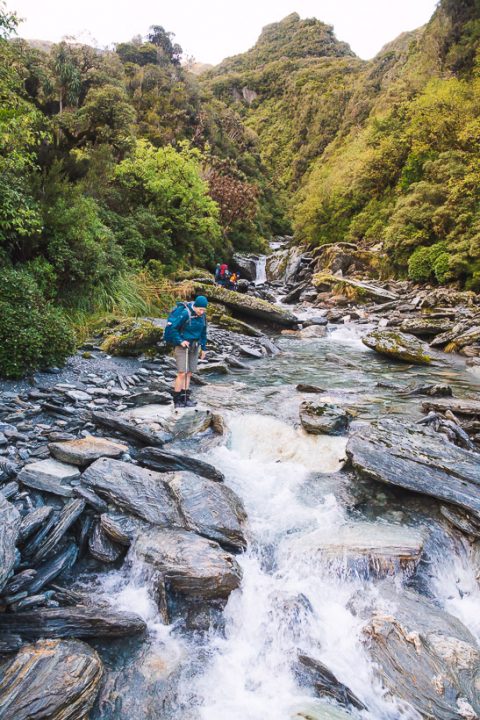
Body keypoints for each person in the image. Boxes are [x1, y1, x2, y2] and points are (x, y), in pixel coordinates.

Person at [167, 295, 208, 408]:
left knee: (189, 373)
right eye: (200, 309)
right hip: (182, 346)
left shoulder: (203, 316)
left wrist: (203, 348)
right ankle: (177, 399)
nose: (202, 312)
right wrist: (180, 341)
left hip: (195, 346)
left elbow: (204, 332)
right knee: (182, 372)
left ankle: (185, 398)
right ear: (195, 306)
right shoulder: (185, 313)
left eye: (204, 310)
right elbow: (173, 328)